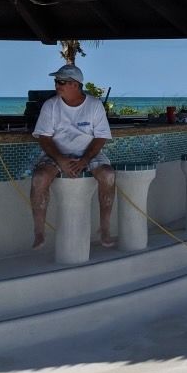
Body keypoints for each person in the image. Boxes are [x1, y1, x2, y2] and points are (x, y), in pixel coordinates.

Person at [29, 64, 115, 250]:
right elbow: (44, 138)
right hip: (57, 153)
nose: (56, 85)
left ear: (75, 84)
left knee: (108, 176)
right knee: (39, 178)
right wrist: (60, 159)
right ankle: (39, 231)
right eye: (56, 81)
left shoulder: (94, 105)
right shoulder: (50, 105)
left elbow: (101, 137)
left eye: (61, 81)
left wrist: (84, 160)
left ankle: (105, 228)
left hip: (89, 154)